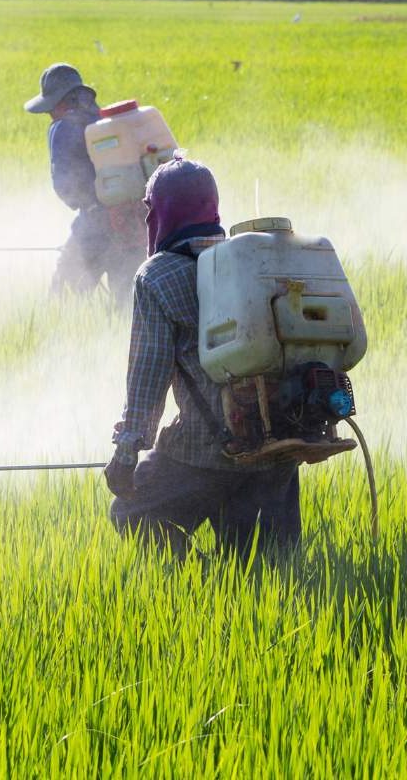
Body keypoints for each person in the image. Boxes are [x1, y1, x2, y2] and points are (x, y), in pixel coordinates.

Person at [104, 157, 301, 558]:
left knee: (131, 512)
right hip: (279, 446)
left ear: (162, 211)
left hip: (204, 452)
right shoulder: (252, 262)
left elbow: (147, 379)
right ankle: (222, 590)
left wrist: (126, 453)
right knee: (267, 574)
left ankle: (203, 577)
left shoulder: (157, 275)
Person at [24, 63, 145, 305]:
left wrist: (86, 213)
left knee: (62, 299)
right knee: (128, 306)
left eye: (50, 108)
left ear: (60, 102)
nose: (49, 114)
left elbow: (65, 187)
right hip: (135, 222)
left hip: (94, 224)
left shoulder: (62, 128)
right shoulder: (105, 121)